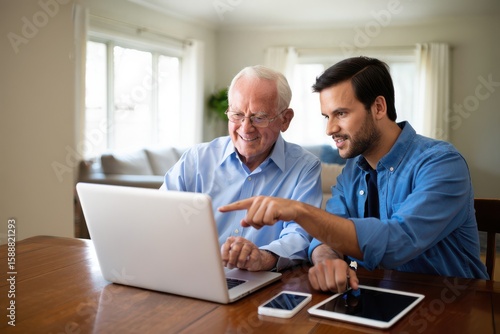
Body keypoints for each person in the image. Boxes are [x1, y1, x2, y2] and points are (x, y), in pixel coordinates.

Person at [219, 56, 489, 290]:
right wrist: (328, 261)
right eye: (327, 117)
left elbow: (397, 243)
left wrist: (299, 211)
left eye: (341, 114)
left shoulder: (441, 163)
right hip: (377, 298)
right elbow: (326, 237)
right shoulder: (352, 172)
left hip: (456, 304)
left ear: (379, 107)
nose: (330, 129)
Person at [160, 65, 323, 272]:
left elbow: (300, 234)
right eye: (237, 115)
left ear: (285, 119)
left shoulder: (305, 167)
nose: (245, 128)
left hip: (258, 281)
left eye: (259, 117)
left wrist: (263, 257)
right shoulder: (197, 159)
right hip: (191, 273)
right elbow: (160, 216)